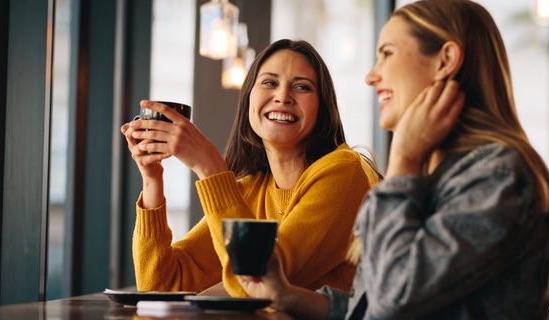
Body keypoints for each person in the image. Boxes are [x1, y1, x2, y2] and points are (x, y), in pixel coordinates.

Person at [237, 0, 549, 319]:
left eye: (387, 54)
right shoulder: (439, 174)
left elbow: (395, 301)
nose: (371, 76)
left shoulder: (497, 176)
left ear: (445, 60)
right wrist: (286, 295)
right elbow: (372, 307)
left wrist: (403, 162)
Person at [120, 39, 380, 297]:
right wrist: (152, 179)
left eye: (302, 87)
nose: (282, 97)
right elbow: (161, 286)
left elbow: (260, 283)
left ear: (322, 108)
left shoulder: (344, 172)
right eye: (269, 83)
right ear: (248, 101)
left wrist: (209, 166)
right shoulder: (250, 191)